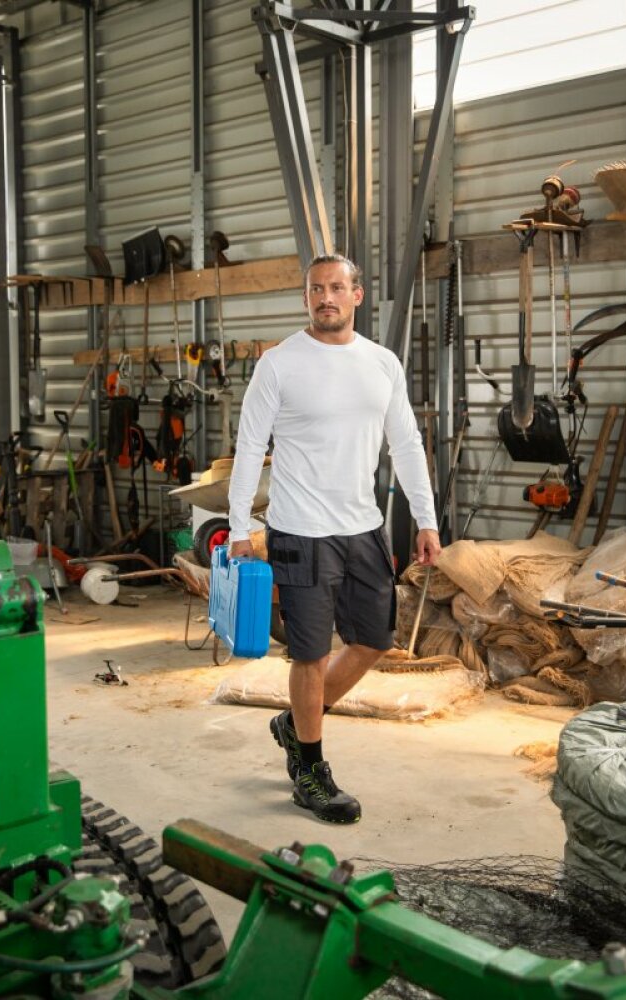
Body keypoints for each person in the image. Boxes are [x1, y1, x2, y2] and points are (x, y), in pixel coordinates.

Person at [226, 253, 441, 823]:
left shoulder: (382, 363)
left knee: (374, 639)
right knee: (310, 653)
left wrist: (425, 518)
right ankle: (310, 771)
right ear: (306, 299)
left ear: (356, 295)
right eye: (317, 289)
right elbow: (250, 446)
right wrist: (241, 527)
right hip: (300, 530)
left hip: (363, 526)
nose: (327, 297)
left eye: (337, 288)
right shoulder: (279, 364)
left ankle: (296, 723)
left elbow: (407, 445)